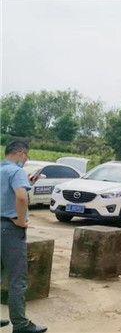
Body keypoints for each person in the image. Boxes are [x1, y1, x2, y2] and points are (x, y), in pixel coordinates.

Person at [0, 141, 47, 333]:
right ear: (20, 153)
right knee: (17, 279)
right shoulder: (16, 172)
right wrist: (20, 220)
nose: (26, 160)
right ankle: (20, 324)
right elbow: (21, 197)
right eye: (26, 156)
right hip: (10, 229)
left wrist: (28, 183)